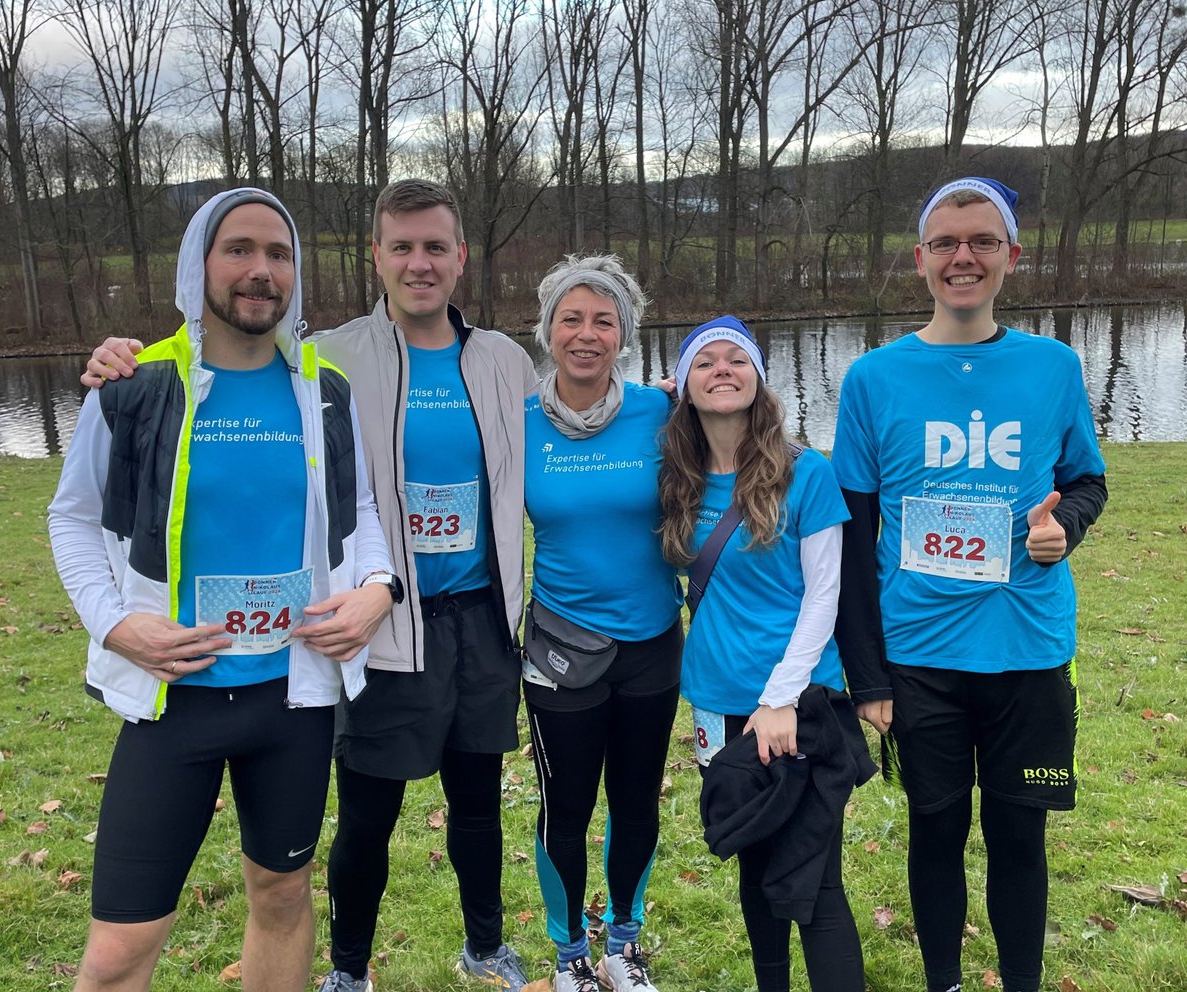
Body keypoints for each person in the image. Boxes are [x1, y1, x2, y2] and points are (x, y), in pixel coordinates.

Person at [82, 179, 536, 992]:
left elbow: (565, 423)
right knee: (364, 818)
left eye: (436, 246)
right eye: (401, 246)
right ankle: (351, 970)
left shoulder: (489, 360)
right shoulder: (325, 358)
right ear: (375, 257)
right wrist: (116, 622)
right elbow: (76, 512)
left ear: (462, 256)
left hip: (430, 637)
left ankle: (483, 942)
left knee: (457, 811)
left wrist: (665, 407)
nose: (420, 262)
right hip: (329, 651)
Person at [48, 187, 398, 992]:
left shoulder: (324, 389)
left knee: (280, 896)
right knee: (116, 953)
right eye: (238, 249)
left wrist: (377, 587)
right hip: (175, 700)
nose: (260, 270)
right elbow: (68, 519)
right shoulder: (135, 384)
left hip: (292, 699)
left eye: (278, 255)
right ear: (199, 264)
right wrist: (114, 625)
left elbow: (363, 510)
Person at [830, 177, 1108, 992]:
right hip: (921, 658)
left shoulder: (1053, 366)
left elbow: (1087, 481)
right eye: (947, 243)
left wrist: (1067, 529)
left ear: (1011, 257)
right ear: (920, 261)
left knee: (1021, 838)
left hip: (1029, 649)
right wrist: (867, 674)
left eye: (982, 241)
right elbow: (853, 539)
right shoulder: (872, 380)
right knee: (936, 830)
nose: (964, 256)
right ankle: (943, 981)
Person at [659, 316, 874, 992]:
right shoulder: (678, 479)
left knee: (812, 875)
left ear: (759, 378)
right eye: (705, 363)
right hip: (717, 701)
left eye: (737, 361)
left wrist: (780, 698)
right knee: (754, 860)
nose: (723, 370)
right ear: (685, 387)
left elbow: (824, 596)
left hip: (801, 702)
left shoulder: (807, 473)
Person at [521, 255, 683, 992]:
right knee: (568, 804)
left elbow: (744, 437)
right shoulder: (512, 421)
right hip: (560, 648)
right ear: (548, 328)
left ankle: (623, 940)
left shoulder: (660, 410)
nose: (586, 334)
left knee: (636, 797)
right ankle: (568, 957)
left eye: (603, 320)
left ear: (624, 334)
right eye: (571, 318)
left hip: (651, 644)